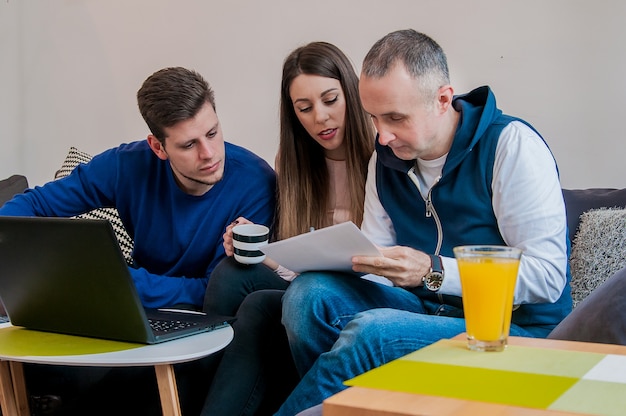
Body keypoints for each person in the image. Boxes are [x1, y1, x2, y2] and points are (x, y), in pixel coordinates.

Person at [275, 29, 572, 415]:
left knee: (374, 333)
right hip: (426, 312)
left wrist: (432, 272)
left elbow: (547, 277)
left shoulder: (511, 147)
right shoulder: (384, 162)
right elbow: (377, 264)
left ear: (442, 99)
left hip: (515, 332)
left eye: (396, 117)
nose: (381, 136)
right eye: (373, 118)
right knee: (306, 297)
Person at [0, 67, 276, 414]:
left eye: (212, 132)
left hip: (205, 321)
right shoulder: (125, 164)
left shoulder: (255, 181)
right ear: (158, 147)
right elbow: (31, 205)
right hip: (134, 309)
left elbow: (217, 289)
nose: (209, 154)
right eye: (189, 144)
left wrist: (120, 282)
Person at [200, 41, 375, 415]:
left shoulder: (381, 152)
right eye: (305, 108)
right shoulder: (293, 162)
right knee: (231, 273)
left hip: (365, 287)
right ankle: (201, 396)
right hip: (309, 284)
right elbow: (296, 270)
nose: (320, 118)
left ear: (352, 93)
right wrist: (263, 251)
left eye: (330, 100)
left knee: (260, 306)